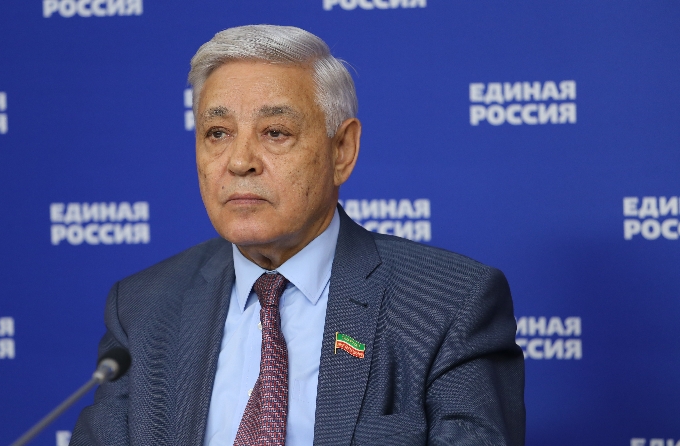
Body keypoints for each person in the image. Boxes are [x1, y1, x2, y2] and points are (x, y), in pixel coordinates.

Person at [71, 24, 525, 446]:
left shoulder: (448, 304)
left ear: (342, 150)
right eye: (217, 133)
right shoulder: (142, 307)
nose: (239, 161)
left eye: (275, 132)